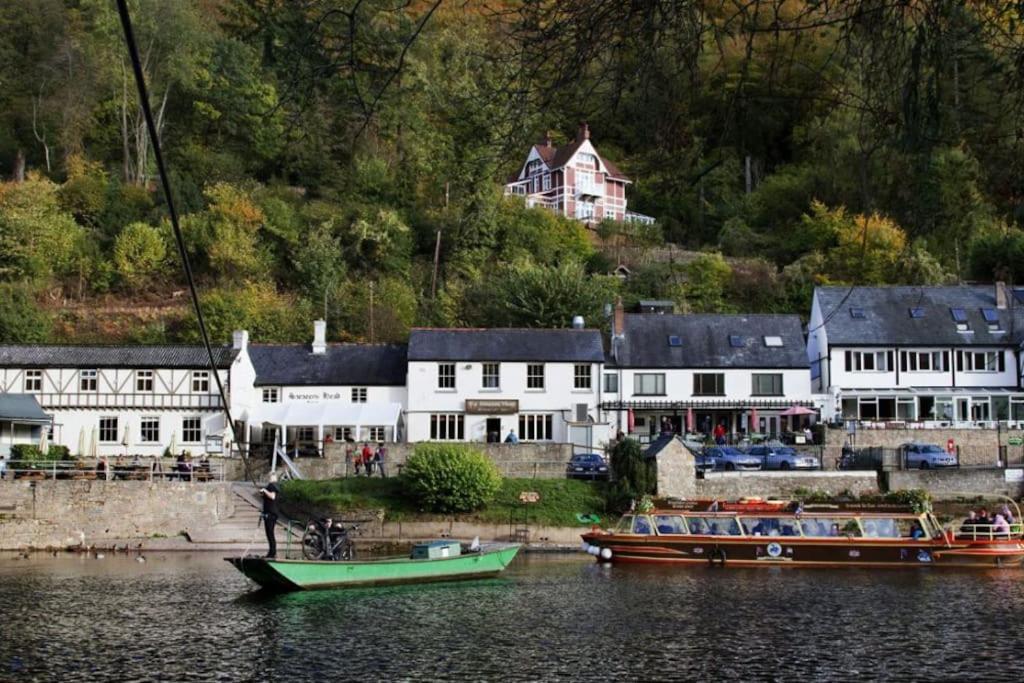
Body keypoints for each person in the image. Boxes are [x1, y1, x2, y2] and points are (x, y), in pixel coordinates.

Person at [259, 472, 281, 559]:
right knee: (269, 533)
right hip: (269, 512)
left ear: (273, 477)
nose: (269, 478)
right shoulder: (272, 486)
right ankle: (271, 552)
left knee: (270, 533)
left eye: (270, 476)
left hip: (271, 513)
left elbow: (272, 496)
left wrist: (264, 490)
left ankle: (272, 552)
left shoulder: (273, 485)